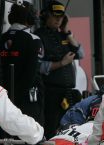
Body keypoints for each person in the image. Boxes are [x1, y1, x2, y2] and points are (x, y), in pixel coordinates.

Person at [35, 0, 85, 137]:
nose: (58, 19)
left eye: (61, 17)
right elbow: (38, 66)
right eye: (55, 16)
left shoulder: (64, 35)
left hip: (67, 92)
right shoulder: (39, 36)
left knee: (71, 128)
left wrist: (67, 31)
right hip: (50, 91)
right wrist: (62, 63)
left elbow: (81, 54)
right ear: (46, 16)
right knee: (51, 127)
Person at [0, 1, 45, 123]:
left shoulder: (0, 39)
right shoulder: (34, 40)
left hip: (2, 99)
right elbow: (33, 72)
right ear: (30, 18)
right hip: (28, 100)